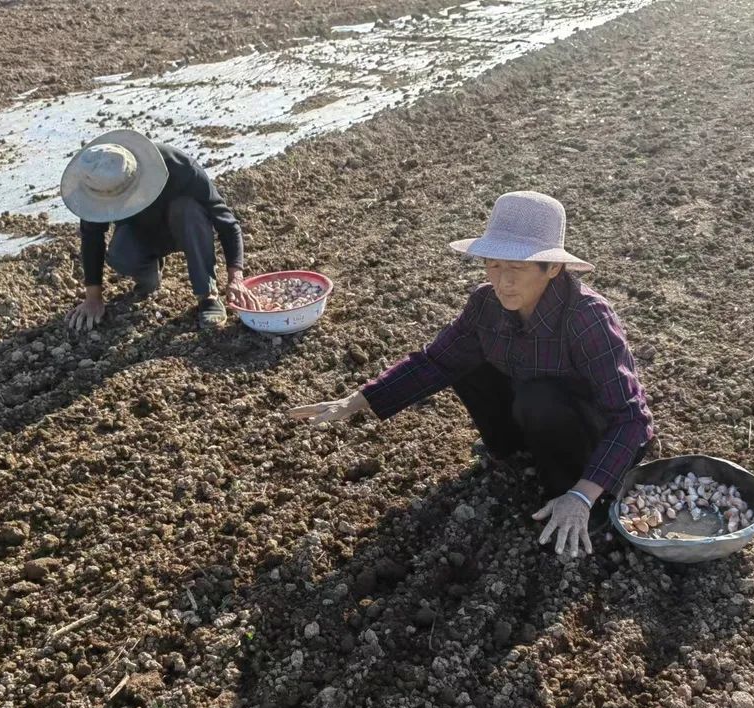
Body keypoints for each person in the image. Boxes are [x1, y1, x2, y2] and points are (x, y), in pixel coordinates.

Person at [290, 191, 653, 558]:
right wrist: (357, 400)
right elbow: (435, 362)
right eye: (494, 266)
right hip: (534, 416)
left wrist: (583, 494)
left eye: (518, 268)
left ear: (553, 268)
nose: (504, 282)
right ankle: (511, 448)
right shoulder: (485, 304)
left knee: (539, 398)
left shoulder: (586, 317)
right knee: (465, 362)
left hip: (588, 433)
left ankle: (571, 492)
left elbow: (632, 418)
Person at [59, 129, 258, 331]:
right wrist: (93, 297)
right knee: (120, 254)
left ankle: (207, 295)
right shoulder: (96, 183)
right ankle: (149, 275)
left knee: (187, 209)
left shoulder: (178, 165)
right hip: (139, 231)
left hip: (185, 228)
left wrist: (236, 279)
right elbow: (92, 236)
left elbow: (226, 222)